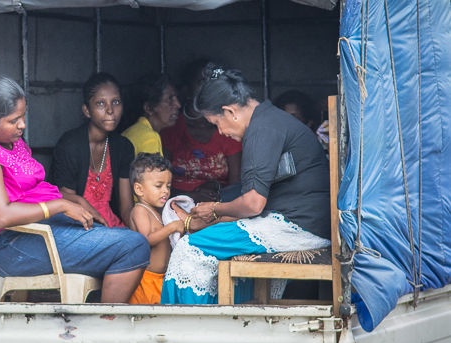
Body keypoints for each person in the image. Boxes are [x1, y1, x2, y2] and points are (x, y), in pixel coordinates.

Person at [0, 76, 149, 303]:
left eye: (23, 116)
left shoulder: (6, 139)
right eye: (14, 120)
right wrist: (61, 205)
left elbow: (31, 191)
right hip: (14, 244)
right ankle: (104, 325)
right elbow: (1, 216)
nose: (22, 124)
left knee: (126, 238)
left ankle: (94, 319)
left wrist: (74, 202)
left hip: (39, 231)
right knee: (133, 246)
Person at [160, 66, 332, 306]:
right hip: (304, 221)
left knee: (189, 250)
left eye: (217, 124)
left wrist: (214, 210)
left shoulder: (261, 129)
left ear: (230, 111)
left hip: (298, 226)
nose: (220, 132)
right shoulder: (269, 120)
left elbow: (252, 204)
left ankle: (187, 330)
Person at [51, 72, 134, 228]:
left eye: (116, 102)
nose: (110, 110)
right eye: (100, 104)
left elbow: (126, 207)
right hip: (77, 224)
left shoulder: (123, 147)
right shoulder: (70, 145)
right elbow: (67, 200)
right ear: (87, 110)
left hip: (111, 225)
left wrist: (142, 234)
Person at [161, 61, 241, 203]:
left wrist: (215, 191)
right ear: (187, 90)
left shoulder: (228, 129)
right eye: (201, 81)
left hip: (218, 205)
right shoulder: (171, 127)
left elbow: (236, 186)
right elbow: (158, 184)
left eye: (212, 81)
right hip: (175, 204)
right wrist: (191, 196)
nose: (207, 86)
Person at [126, 154, 187, 305]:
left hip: (161, 279)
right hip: (146, 280)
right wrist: (172, 227)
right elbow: (146, 239)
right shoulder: (140, 210)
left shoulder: (160, 213)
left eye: (168, 186)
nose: (165, 191)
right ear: (139, 189)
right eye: (159, 186)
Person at [121, 74, 181, 156]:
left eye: (176, 98)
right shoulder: (150, 137)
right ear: (148, 108)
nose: (178, 104)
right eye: (170, 99)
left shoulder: (132, 131)